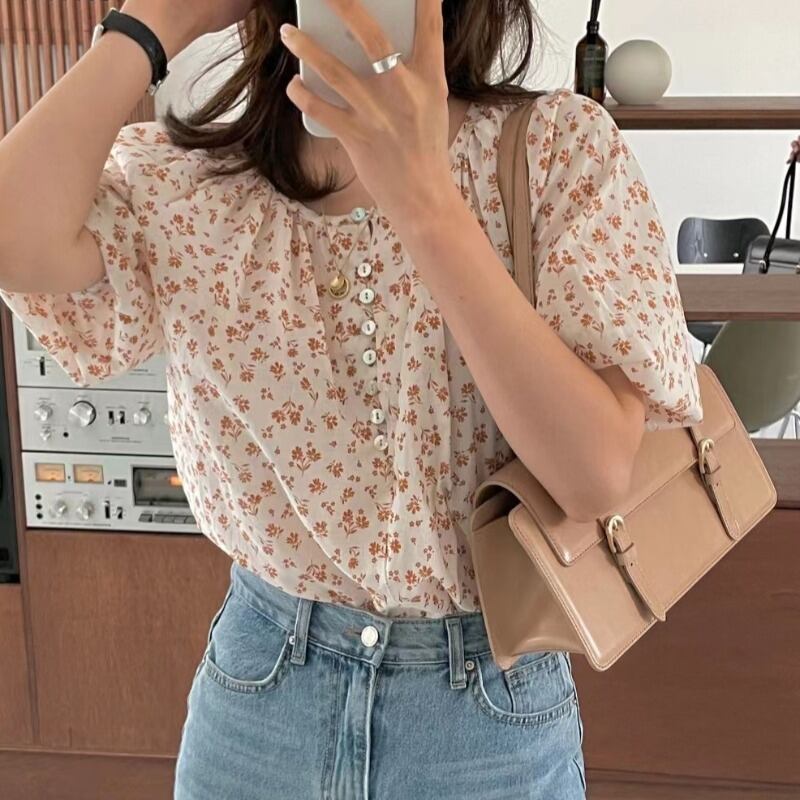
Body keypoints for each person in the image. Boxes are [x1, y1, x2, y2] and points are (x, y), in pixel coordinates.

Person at [0, 0, 703, 797]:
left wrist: (424, 200)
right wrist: (154, 21)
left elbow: (593, 476)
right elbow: (14, 239)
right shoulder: (191, 182)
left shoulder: (556, 152)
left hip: (484, 710)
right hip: (260, 702)